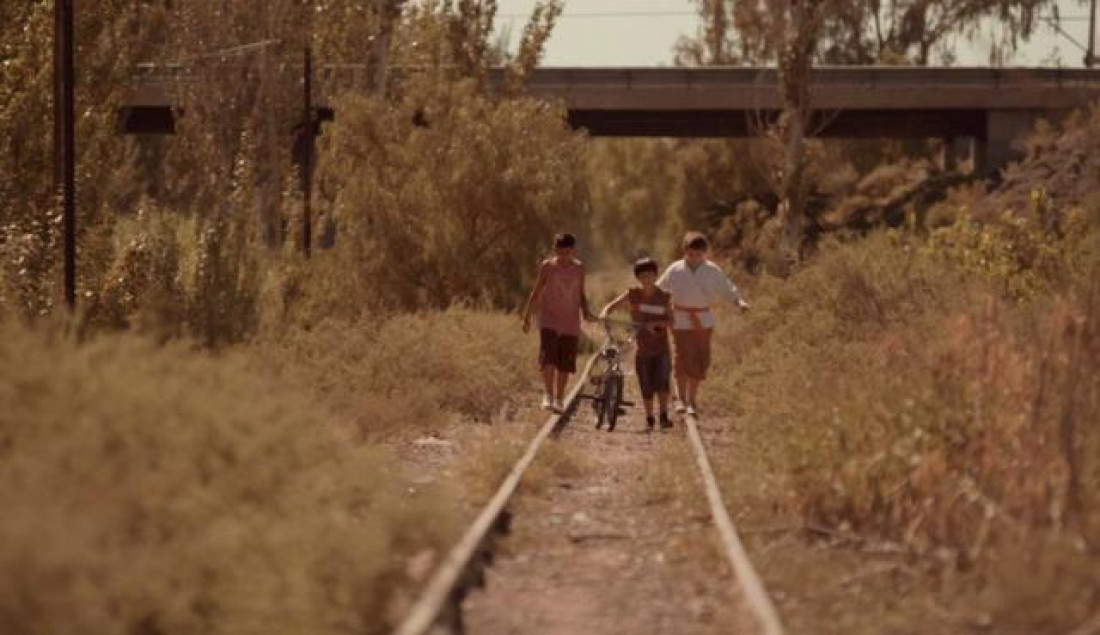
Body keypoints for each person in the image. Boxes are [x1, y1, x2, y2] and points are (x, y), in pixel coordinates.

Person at [657, 232, 749, 416]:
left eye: (699, 254)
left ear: (704, 253)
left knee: (701, 359)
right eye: (691, 254)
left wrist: (739, 301)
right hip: (680, 319)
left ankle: (692, 399)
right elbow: (660, 289)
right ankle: (681, 399)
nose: (695, 258)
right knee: (682, 357)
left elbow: (727, 287)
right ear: (685, 252)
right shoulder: (675, 269)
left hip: (703, 320)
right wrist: (653, 308)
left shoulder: (712, 270)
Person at [521, 233, 596, 413]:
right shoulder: (548, 266)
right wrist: (526, 316)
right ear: (555, 250)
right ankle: (548, 395)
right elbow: (537, 291)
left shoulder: (579, 268)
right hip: (549, 319)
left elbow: (580, 292)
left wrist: (585, 311)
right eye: (559, 252)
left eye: (566, 253)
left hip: (570, 321)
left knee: (564, 363)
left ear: (573, 251)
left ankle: (560, 398)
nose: (562, 257)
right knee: (548, 358)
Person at [600, 257, 674, 432]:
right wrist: (605, 313)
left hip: (661, 348)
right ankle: (649, 417)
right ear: (638, 277)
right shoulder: (633, 294)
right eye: (642, 275)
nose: (646, 279)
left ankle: (663, 415)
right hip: (643, 349)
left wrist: (656, 325)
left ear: (656, 276)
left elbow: (672, 321)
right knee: (646, 384)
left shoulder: (663, 297)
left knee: (663, 382)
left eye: (649, 275)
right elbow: (612, 305)